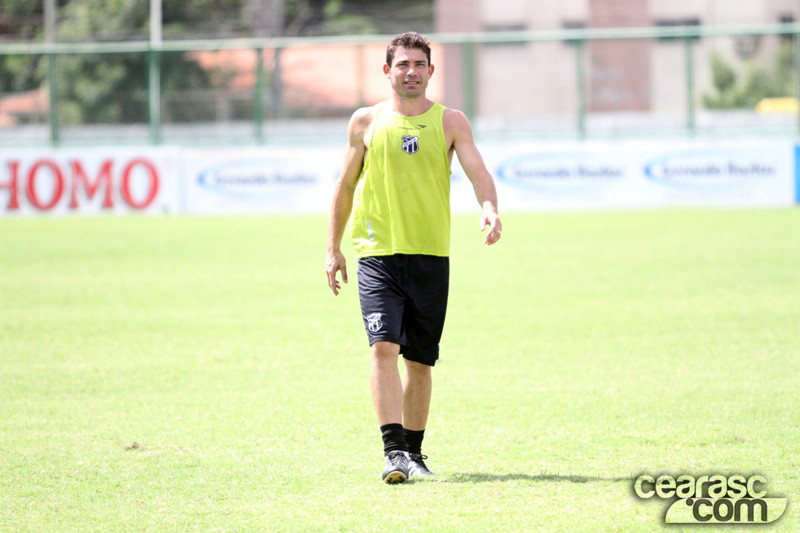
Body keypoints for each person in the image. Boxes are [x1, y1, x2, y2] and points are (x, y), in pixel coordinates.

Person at [325, 31, 502, 484]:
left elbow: (478, 171)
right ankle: (393, 452)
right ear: (387, 71)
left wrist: (489, 208)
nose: (410, 72)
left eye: (418, 64)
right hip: (378, 255)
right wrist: (333, 248)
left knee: (420, 362)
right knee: (384, 348)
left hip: (429, 256)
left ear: (430, 70)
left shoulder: (450, 122)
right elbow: (345, 187)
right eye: (401, 64)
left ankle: (415, 454)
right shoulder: (365, 122)